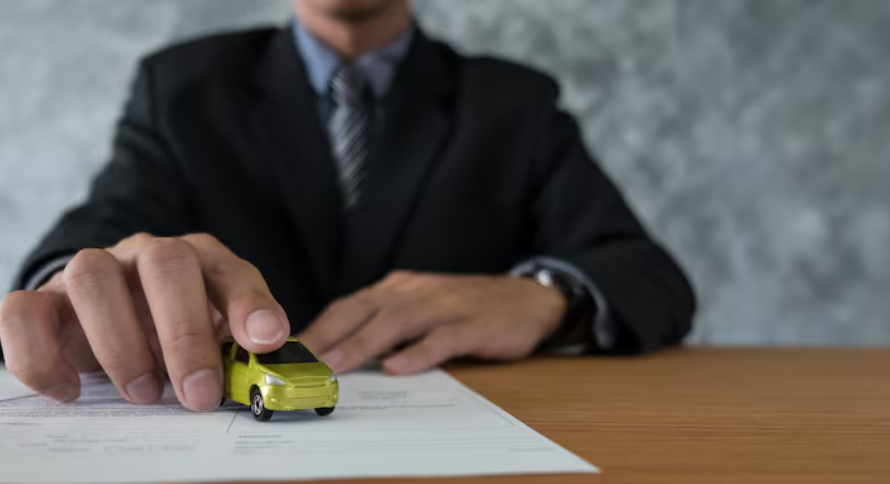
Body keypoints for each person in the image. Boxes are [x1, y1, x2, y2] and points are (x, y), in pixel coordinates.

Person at [0, 0, 695, 413]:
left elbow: (650, 275)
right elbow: (101, 226)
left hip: (459, 467)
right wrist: (75, 288)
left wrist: (544, 297)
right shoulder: (180, 87)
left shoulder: (514, 102)